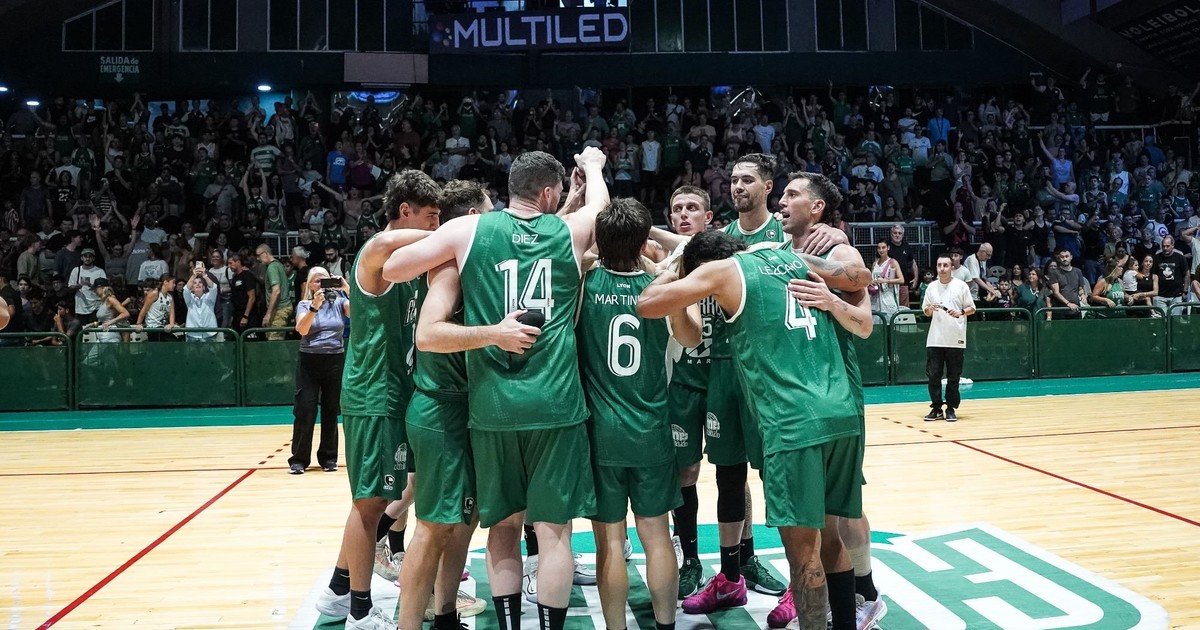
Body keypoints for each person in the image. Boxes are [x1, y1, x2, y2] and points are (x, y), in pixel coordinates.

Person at [380, 148, 609, 630]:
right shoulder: (567, 232)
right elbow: (600, 209)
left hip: (492, 406)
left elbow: (393, 268)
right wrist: (593, 167)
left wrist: (444, 240)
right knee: (553, 533)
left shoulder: (470, 230)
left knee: (502, 528)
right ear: (548, 193)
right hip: (556, 403)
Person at [636, 171, 872, 630]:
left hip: (793, 420)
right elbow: (860, 278)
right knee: (831, 539)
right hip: (841, 411)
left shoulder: (726, 270)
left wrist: (679, 272)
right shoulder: (793, 257)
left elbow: (648, 303)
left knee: (803, 554)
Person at [314, 169, 441, 630]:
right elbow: (386, 242)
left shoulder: (411, 262)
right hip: (373, 395)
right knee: (368, 505)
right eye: (431, 217)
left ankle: (337, 589)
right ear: (405, 211)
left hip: (397, 393)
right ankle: (360, 612)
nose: (436, 227)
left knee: (387, 495)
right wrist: (460, 232)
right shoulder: (376, 251)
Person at [578, 198, 696, 630]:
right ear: (644, 242)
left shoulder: (582, 283)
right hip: (651, 429)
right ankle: (665, 624)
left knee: (610, 542)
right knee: (657, 536)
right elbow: (691, 337)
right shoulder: (661, 291)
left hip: (600, 432)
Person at [397, 179, 497, 630]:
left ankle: (445, 614)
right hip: (440, 408)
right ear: (474, 218)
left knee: (464, 519)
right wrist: (494, 334)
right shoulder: (448, 269)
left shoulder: (469, 262)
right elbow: (427, 335)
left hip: (466, 408)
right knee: (434, 526)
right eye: (492, 212)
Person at [288, 266, 351, 474]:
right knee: (305, 409)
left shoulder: (339, 303)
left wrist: (346, 288)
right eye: (317, 281)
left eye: (325, 280)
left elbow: (360, 309)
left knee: (331, 409)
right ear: (310, 285)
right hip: (309, 360)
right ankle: (299, 459)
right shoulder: (304, 304)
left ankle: (329, 458)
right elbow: (302, 329)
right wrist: (315, 307)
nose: (321, 284)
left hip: (334, 359)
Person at [922, 255, 976, 422]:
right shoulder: (931, 287)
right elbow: (925, 311)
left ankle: (951, 408)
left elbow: (972, 308)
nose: (942, 268)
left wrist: (961, 312)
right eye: (939, 265)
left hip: (955, 338)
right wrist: (929, 309)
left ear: (951, 267)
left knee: (953, 376)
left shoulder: (961, 286)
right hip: (935, 338)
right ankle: (936, 407)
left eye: (945, 265)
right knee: (933, 375)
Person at [1152, 235, 1190, 316]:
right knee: (1161, 320)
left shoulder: (1180, 257)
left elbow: (1187, 274)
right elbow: (1153, 275)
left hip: (1176, 295)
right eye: (1163, 246)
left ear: (1172, 246)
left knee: (1175, 320)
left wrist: (1185, 291)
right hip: (1160, 296)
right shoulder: (1156, 258)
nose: (1165, 248)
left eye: (1167, 246)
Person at [68, 247, 107, 325]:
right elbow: (70, 286)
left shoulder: (99, 271)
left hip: (96, 306)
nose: (87, 258)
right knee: (82, 329)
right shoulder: (76, 270)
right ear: (82, 258)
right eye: (85, 256)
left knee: (94, 328)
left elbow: (105, 289)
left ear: (93, 258)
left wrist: (91, 285)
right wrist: (77, 286)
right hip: (81, 307)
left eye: (90, 256)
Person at [1047, 249, 1088, 319]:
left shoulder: (1078, 271)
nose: (1064, 259)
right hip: (1060, 310)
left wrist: (1083, 296)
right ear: (1059, 258)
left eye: (1066, 256)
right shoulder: (1055, 273)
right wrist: (1068, 303)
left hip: (1076, 308)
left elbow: (1080, 289)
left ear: (1071, 257)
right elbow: (1056, 293)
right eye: (1062, 257)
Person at [183, 263, 220, 341]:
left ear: (204, 287)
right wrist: (194, 275)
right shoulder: (189, 299)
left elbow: (213, 287)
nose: (197, 284)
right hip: (192, 334)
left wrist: (204, 275)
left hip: (209, 334)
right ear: (192, 288)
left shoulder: (210, 297)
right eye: (195, 283)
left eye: (200, 282)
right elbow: (186, 289)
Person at [135, 273, 176, 341]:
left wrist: (171, 324)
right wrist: (139, 323)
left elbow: (172, 312)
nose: (174, 285)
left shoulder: (170, 297)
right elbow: (144, 309)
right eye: (173, 282)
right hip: (153, 327)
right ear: (165, 282)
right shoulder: (155, 294)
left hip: (163, 327)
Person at [227, 253, 260, 336]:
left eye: (231, 263)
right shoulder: (235, 277)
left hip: (248, 315)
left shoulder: (247, 275)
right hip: (237, 315)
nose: (229, 266)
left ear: (238, 262)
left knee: (249, 340)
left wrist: (246, 316)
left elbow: (252, 297)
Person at [869, 240, 904, 318]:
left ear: (888, 248)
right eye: (879, 248)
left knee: (889, 321)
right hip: (875, 299)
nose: (881, 250)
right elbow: (870, 279)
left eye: (883, 247)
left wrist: (885, 281)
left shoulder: (893, 262)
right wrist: (871, 282)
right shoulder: (875, 264)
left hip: (888, 297)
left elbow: (901, 280)